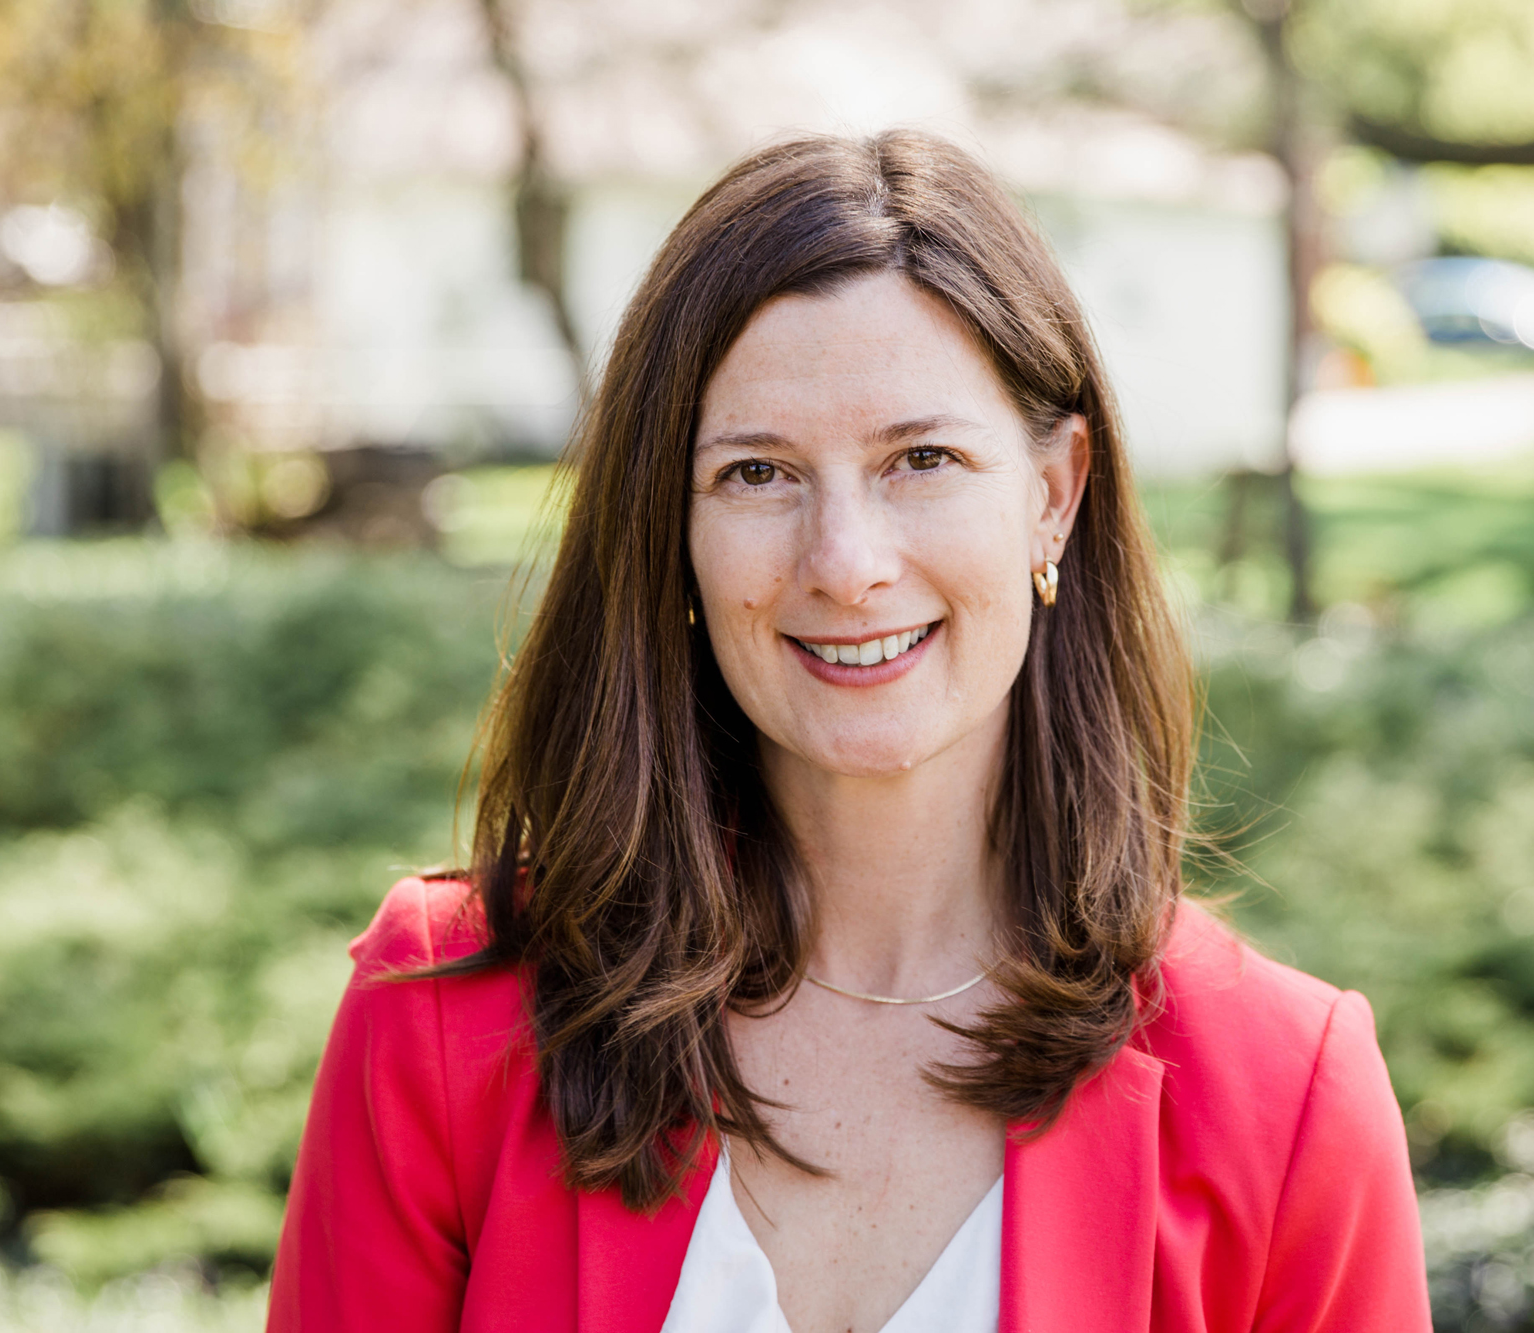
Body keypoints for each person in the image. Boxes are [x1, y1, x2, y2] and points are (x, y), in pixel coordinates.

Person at [267, 130, 1430, 1333]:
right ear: (671, 527)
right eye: (758, 474)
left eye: (921, 458)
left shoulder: (1283, 1094)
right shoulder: (444, 1021)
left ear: (1053, 493)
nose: (845, 565)